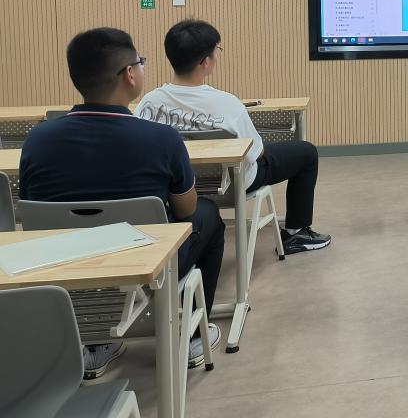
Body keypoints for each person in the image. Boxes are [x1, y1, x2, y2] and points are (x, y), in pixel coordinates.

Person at [18, 27, 225, 377]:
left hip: (65, 269)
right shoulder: (162, 139)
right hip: (146, 267)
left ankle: (97, 342)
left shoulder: (37, 141)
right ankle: (191, 335)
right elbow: (186, 210)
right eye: (140, 62)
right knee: (208, 214)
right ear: (129, 74)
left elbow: (33, 209)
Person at [136, 20, 330, 255]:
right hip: (230, 186)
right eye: (216, 51)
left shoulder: (149, 102)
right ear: (205, 62)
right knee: (306, 152)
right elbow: (256, 153)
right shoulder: (227, 103)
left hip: (175, 189)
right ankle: (296, 233)